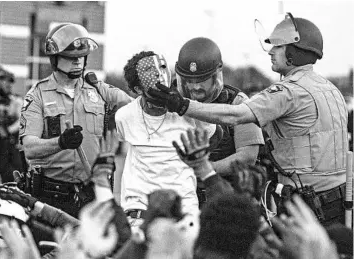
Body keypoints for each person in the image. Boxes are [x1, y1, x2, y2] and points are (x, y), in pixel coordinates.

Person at [147, 13, 348, 226]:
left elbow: (238, 116)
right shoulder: (330, 89)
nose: (271, 51)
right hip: (338, 202)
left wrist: (183, 106)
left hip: (307, 206)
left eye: (278, 47)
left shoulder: (288, 93)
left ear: (293, 52)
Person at [19, 23, 133, 217]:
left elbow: (136, 110)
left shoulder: (99, 90)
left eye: (81, 57)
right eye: (71, 57)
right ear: (55, 58)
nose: (77, 62)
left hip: (93, 197)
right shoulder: (37, 95)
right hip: (52, 199)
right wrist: (61, 143)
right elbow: (29, 149)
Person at [115, 51, 216, 228]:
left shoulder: (190, 112)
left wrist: (182, 107)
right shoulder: (125, 116)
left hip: (184, 213)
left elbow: (213, 133)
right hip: (138, 213)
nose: (158, 75)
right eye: (150, 72)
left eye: (162, 69)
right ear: (138, 89)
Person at [175, 37, 264, 174]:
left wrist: (204, 171)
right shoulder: (173, 101)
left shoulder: (238, 102)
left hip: (227, 190)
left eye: (202, 79)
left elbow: (248, 157)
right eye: (190, 80)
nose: (196, 86)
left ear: (216, 74)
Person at [0, 66, 24, 182]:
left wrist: (8, 130)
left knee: (16, 175)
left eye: (10, 82)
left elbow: (23, 120)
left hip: (11, 146)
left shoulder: (16, 101)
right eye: (5, 81)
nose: (8, 85)